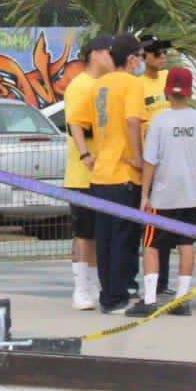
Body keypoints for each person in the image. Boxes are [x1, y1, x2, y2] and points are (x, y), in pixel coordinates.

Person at [68, 33, 147, 314]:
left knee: (105, 240)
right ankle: (116, 297)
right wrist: (138, 157)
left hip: (100, 175)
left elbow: (75, 122)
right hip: (124, 173)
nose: (143, 60)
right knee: (124, 240)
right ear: (130, 59)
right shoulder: (131, 84)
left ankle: (108, 296)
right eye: (140, 55)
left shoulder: (98, 86)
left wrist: (86, 154)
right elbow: (133, 122)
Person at [126, 67, 196, 318]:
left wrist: (144, 194)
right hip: (190, 194)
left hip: (163, 195)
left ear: (166, 91)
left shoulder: (160, 120)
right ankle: (181, 298)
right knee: (186, 243)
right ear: (188, 90)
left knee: (151, 244)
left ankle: (150, 298)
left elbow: (150, 161)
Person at [64, 35, 113, 310]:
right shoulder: (80, 86)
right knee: (84, 233)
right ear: (94, 54)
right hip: (83, 174)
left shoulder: (104, 84)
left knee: (97, 233)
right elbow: (76, 125)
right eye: (108, 52)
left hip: (105, 172)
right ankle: (81, 287)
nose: (111, 58)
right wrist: (85, 155)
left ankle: (94, 284)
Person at [137, 35, 173, 297]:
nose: (163, 58)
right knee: (151, 227)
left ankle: (164, 282)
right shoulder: (138, 85)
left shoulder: (169, 79)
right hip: (150, 161)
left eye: (164, 53)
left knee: (169, 227)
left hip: (171, 163)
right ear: (144, 56)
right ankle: (151, 281)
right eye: (158, 53)